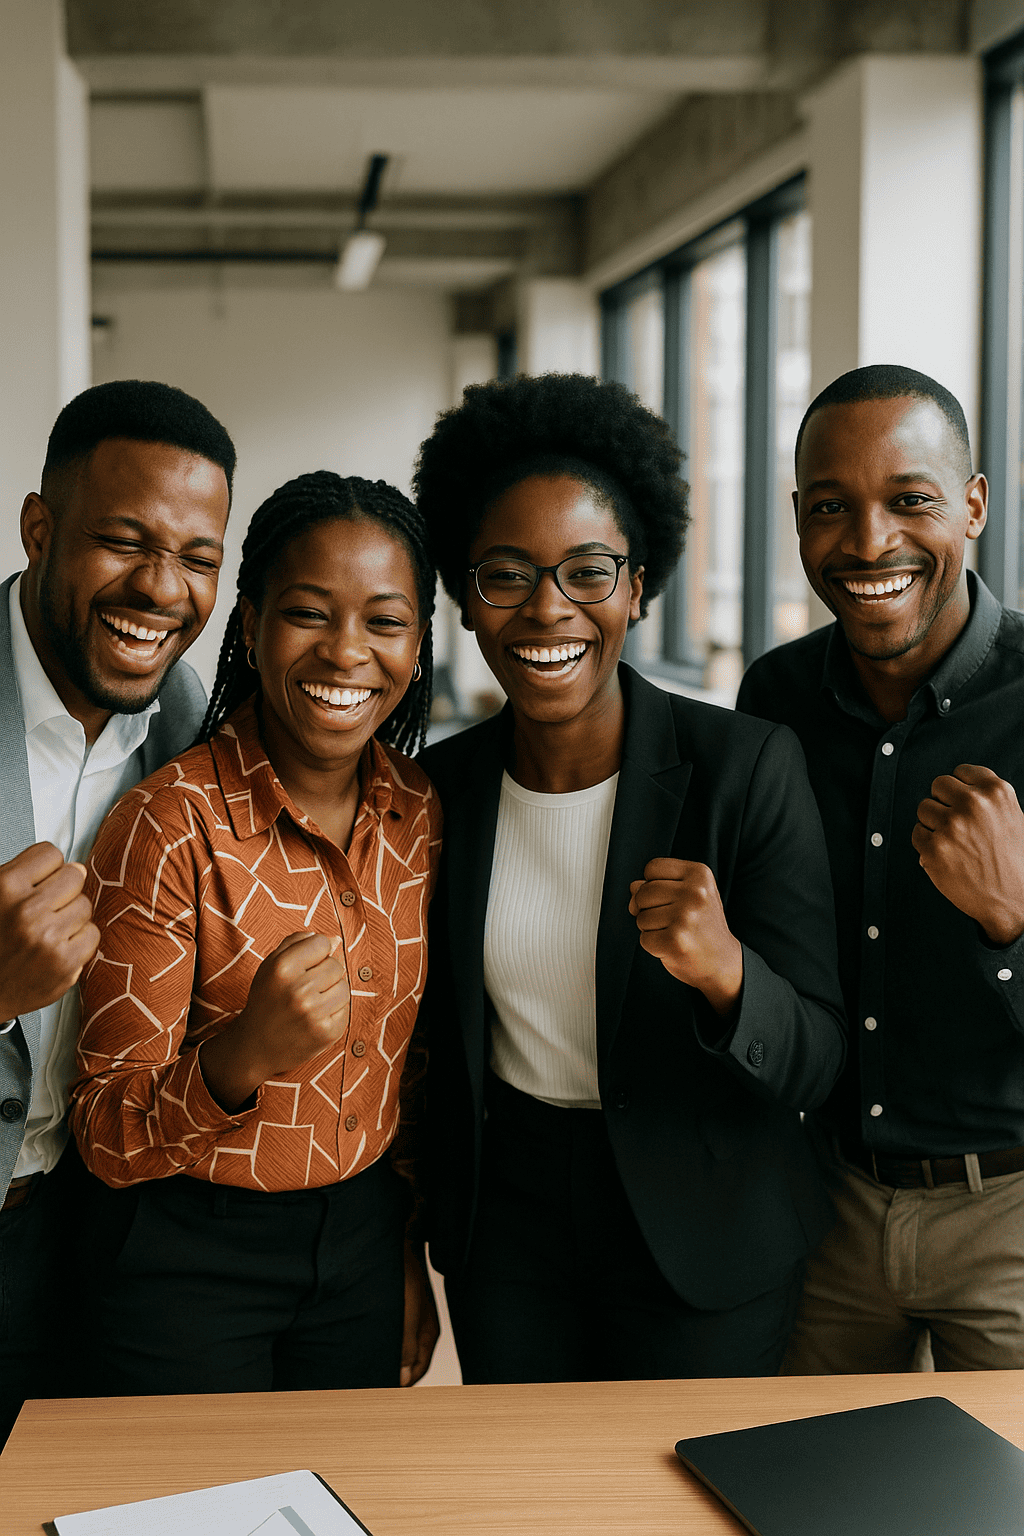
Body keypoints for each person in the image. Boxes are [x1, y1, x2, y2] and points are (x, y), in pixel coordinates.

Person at [412, 373, 846, 1384]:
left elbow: (817, 1058)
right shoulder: (442, 788)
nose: (547, 609)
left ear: (639, 585)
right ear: (465, 601)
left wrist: (727, 973)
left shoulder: (743, 767)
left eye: (587, 572)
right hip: (509, 1235)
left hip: (704, 1225)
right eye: (505, 575)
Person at [69, 471, 442, 1395]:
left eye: (386, 623)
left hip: (360, 1246)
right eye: (309, 613)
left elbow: (412, 1075)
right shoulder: (168, 822)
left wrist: (403, 1256)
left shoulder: (420, 811)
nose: (347, 652)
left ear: (421, 643)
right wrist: (242, 1054)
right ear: (249, 624)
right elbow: (103, 1132)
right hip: (186, 1260)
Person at [737, 362, 1024, 1373]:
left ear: (973, 506)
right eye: (830, 508)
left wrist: (1010, 921)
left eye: (911, 501)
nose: (867, 544)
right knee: (805, 1496)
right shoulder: (773, 696)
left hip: (1011, 1219)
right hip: (827, 1205)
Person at [0, 379, 234, 1443]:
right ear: (38, 529)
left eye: (197, 558)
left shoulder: (193, 730)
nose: (160, 589)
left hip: (101, 1243)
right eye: (124, 542)